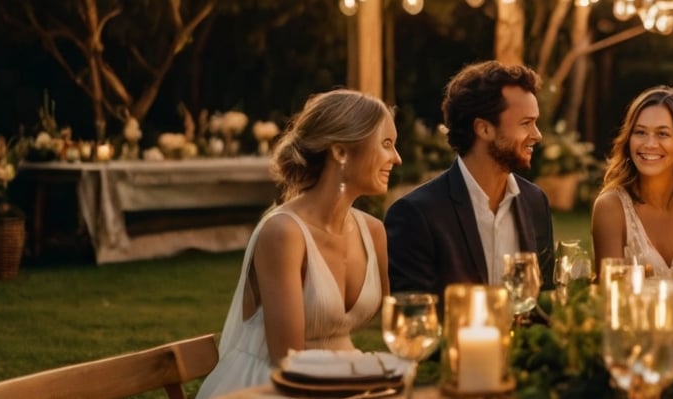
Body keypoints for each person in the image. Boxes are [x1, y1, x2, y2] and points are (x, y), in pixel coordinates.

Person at [197, 89, 400, 397]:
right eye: (386, 144)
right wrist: (373, 372)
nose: (396, 158)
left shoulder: (373, 232)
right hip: (269, 386)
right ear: (340, 151)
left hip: (344, 383)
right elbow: (288, 361)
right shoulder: (283, 233)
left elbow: (403, 318)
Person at [385, 60, 554, 297]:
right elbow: (415, 313)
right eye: (526, 123)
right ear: (483, 129)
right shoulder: (416, 215)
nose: (537, 135)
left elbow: (544, 300)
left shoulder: (535, 202)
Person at [591, 86, 673, 280]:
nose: (649, 144)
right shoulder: (611, 208)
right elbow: (609, 291)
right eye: (640, 132)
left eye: (662, 134)